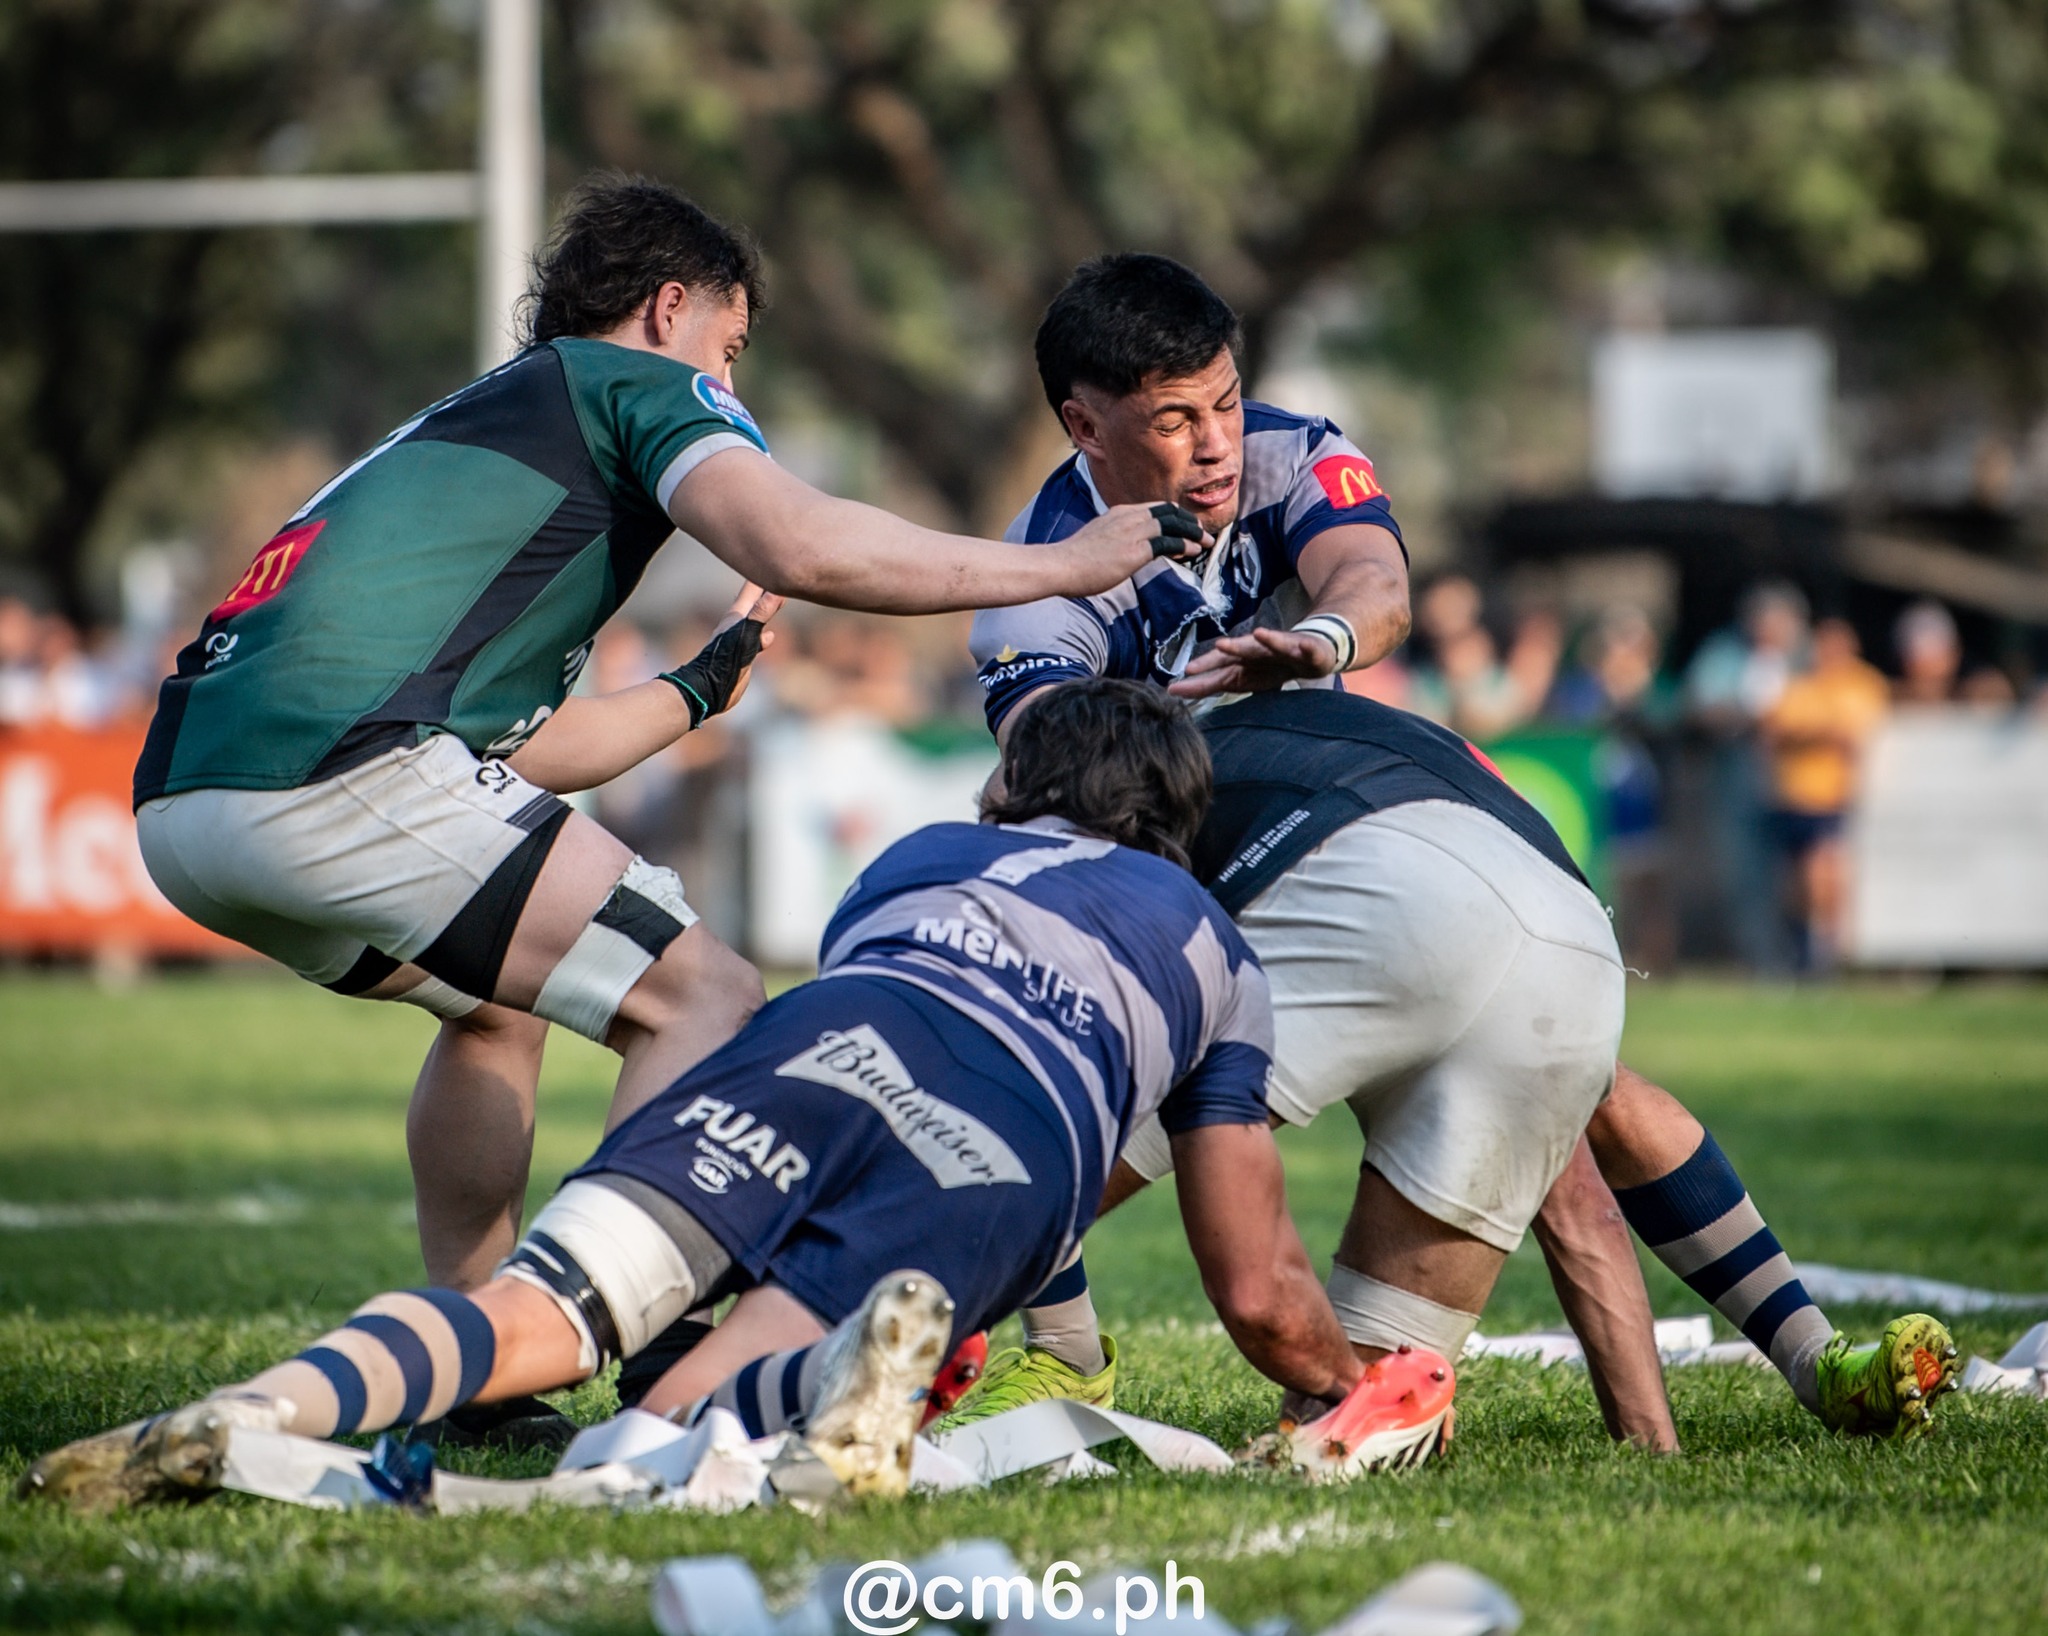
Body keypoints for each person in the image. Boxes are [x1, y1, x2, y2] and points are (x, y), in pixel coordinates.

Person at [124, 178, 1206, 1443]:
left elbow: (529, 751)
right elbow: (798, 543)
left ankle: (476, 1356)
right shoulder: (628, 381)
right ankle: (635, 1342)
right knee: (704, 993)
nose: (728, 386)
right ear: (668, 307)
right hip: (336, 771)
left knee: (492, 1011)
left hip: (190, 800)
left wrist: (695, 690)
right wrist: (1066, 563)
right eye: (728, 350)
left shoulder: (497, 440)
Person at [954, 254, 1959, 1446]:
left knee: (1568, 1099)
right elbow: (1055, 784)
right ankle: (1062, 1349)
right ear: (1083, 427)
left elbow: (1373, 581)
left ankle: (1793, 1366)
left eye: (1224, 400)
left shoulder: (1287, 449)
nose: (1216, 444)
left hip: (1362, 846)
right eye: (1175, 420)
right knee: (1080, 1111)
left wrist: (1325, 638)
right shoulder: (1033, 585)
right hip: (1238, 886)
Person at [23, 680, 1400, 1513]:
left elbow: (897, 1025)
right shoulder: (1213, 947)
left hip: (827, 1040)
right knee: (681, 1421)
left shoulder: (923, 851)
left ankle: (266, 1406)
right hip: (1004, 1140)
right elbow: (1256, 1284)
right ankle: (825, 1381)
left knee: (539, 1312)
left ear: (1018, 783)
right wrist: (1352, 1386)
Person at [1762, 617, 1890, 972]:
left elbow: (1853, 735)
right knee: (1797, 883)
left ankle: (1825, 956)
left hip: (1835, 797)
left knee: (1823, 874)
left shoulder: (1862, 684)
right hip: (1794, 797)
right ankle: (1801, 949)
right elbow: (1776, 730)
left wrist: (1810, 733)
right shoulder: (1799, 683)